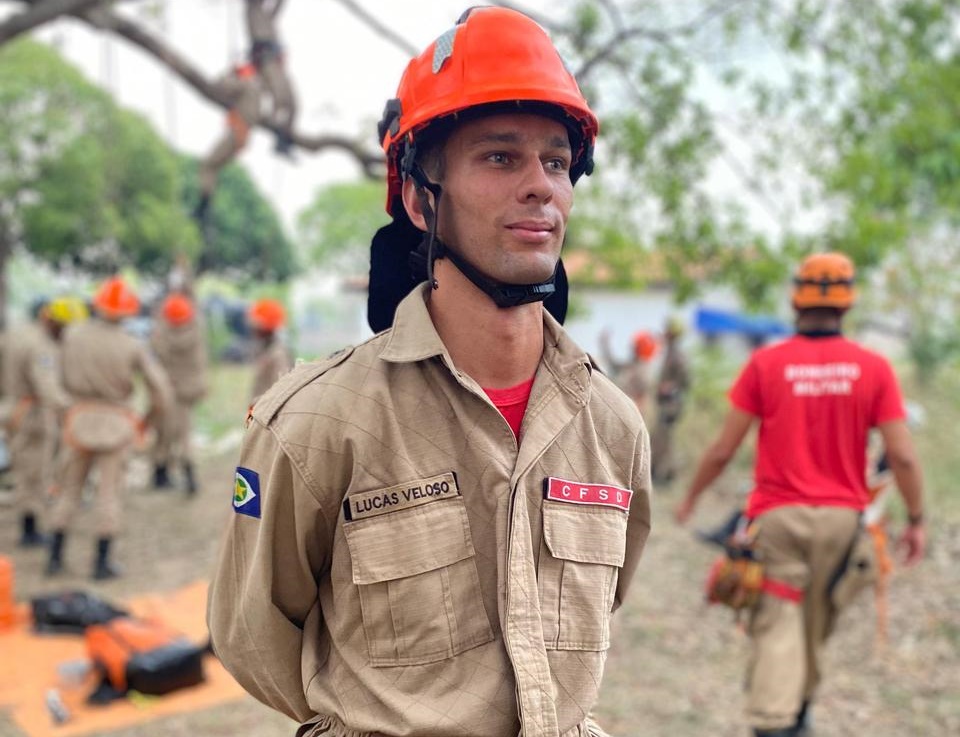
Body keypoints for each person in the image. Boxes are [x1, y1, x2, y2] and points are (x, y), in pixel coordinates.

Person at [208, 8, 652, 736]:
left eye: (557, 161)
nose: (541, 185)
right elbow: (254, 637)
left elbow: (599, 608)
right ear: (419, 198)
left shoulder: (611, 425)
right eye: (500, 157)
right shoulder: (318, 424)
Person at [674, 252, 925, 737]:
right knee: (813, 622)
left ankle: (776, 723)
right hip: (842, 525)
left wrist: (690, 497)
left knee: (778, 621)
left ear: (796, 299)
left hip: (780, 521)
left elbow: (724, 448)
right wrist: (917, 519)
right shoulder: (873, 369)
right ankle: (796, 711)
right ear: (847, 304)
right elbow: (905, 457)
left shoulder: (766, 364)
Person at [46, 277, 171, 580]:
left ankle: (54, 558)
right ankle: (101, 565)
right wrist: (146, 420)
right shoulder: (133, 345)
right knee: (109, 494)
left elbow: (52, 377)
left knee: (69, 490)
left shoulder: (71, 336)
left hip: (78, 421)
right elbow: (162, 391)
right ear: (128, 311)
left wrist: (65, 410)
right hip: (117, 425)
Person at [3, 297, 86, 547]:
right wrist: (71, 409)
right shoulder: (42, 347)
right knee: (34, 473)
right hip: (33, 414)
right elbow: (47, 386)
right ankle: (30, 530)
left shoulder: (14, 335)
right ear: (54, 322)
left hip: (11, 408)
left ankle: (29, 524)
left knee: (23, 469)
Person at [149, 292, 209, 495]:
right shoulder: (195, 333)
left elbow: (154, 355)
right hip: (187, 391)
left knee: (164, 432)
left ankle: (160, 473)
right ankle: (188, 474)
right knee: (184, 433)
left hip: (167, 389)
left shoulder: (161, 336)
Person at [194, 60, 262, 225]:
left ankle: (204, 206)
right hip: (242, 137)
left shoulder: (245, 84)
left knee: (208, 165)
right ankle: (205, 205)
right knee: (213, 167)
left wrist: (228, 73)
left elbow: (221, 85)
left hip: (236, 133)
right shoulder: (256, 90)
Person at [246, 0, 297, 155]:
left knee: (293, 104)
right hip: (266, 61)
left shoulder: (266, 16)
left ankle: (284, 139)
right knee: (280, 98)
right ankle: (276, 129)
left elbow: (278, 6)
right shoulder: (252, 10)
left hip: (276, 62)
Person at [650, 315, 691, 484]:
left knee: (665, 438)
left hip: (672, 404)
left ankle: (666, 474)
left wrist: (669, 387)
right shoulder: (670, 353)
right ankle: (661, 471)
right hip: (667, 403)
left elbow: (685, 382)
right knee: (660, 436)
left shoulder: (677, 355)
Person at [599, 328, 658, 417]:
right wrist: (605, 345)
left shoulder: (642, 371)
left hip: (627, 414)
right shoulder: (635, 364)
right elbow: (613, 364)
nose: (632, 348)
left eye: (635, 346)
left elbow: (640, 400)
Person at [246, 298, 291, 405]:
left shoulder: (278, 354)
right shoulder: (264, 349)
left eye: (256, 325)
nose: (253, 329)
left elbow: (281, 392)